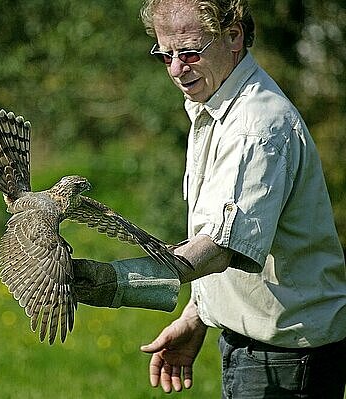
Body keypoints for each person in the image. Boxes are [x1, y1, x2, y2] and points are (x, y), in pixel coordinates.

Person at [72, 0, 346, 397]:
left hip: (288, 360)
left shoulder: (255, 127)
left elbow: (220, 247)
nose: (176, 69)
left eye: (189, 52)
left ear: (233, 36)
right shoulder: (218, 107)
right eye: (165, 55)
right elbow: (235, 234)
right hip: (263, 351)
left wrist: (113, 282)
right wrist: (199, 314)